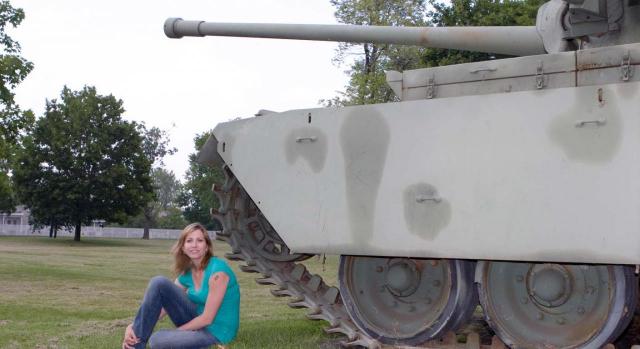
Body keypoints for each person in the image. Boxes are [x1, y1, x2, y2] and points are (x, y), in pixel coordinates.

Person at [122, 223, 240, 349]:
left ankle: (200, 342)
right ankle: (135, 344)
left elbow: (207, 319)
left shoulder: (218, 272)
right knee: (159, 283)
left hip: (216, 331)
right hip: (197, 321)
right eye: (189, 241)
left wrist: (176, 333)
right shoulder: (188, 272)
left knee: (157, 340)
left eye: (199, 240)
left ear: (207, 247)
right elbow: (164, 301)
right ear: (183, 247)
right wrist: (134, 326)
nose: (194, 245)